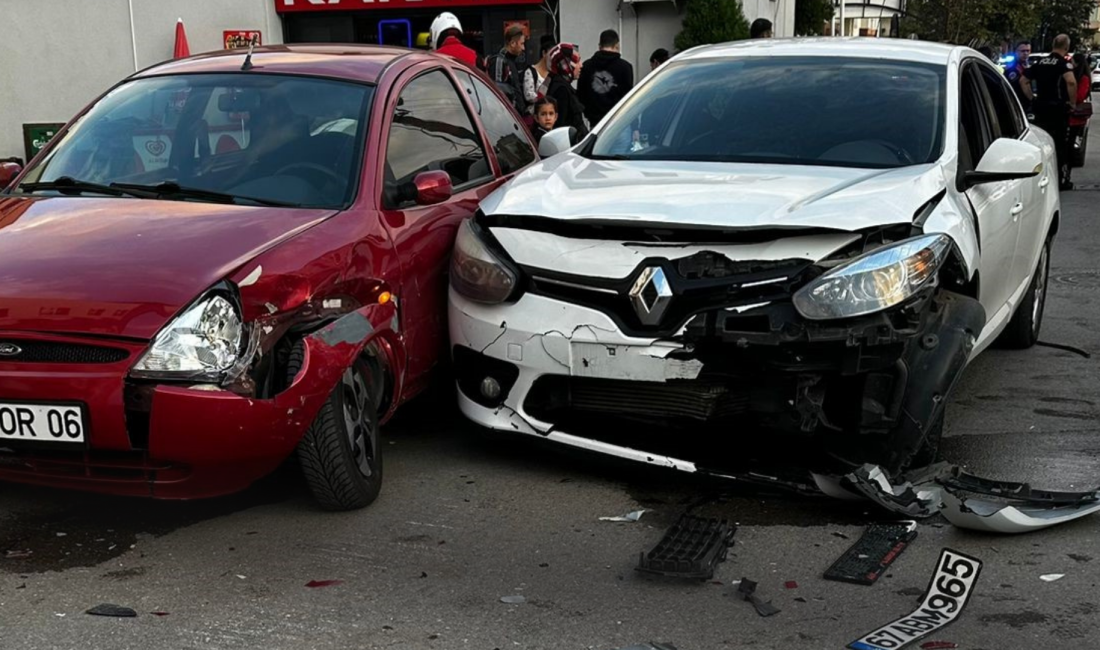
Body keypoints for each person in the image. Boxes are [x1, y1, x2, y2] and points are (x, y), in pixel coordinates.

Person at [1022, 34, 1078, 190]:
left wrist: (1032, 98)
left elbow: (1023, 81)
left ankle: (1040, 176)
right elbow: (1071, 82)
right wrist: (1072, 103)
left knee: (1041, 142)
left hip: (1041, 108)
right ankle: (1059, 179)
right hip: (1058, 109)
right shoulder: (1063, 64)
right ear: (1066, 47)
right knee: (1059, 145)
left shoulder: (1039, 63)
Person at [578, 29, 634, 127]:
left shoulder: (586, 66)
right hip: (619, 122)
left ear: (599, 46)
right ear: (617, 45)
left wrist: (589, 114)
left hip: (596, 124)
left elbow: (581, 95)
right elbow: (629, 98)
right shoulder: (625, 67)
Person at [546, 43, 587, 138]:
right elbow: (561, 127)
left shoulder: (562, 85)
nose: (581, 65)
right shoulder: (561, 90)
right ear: (566, 64)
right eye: (577, 61)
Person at [488, 25, 528, 115]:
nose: (523, 48)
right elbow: (497, 91)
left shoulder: (512, 61)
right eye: (521, 44)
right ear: (513, 43)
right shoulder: (500, 61)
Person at [523, 35, 556, 124]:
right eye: (551, 54)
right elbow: (529, 95)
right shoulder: (531, 71)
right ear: (544, 53)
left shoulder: (554, 74)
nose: (553, 57)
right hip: (535, 118)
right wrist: (544, 100)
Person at [1068, 52, 1092, 170]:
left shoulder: (1083, 78)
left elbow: (1080, 96)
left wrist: (1070, 100)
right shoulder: (1072, 75)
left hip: (1076, 116)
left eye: (1072, 62)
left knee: (1071, 141)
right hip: (1069, 115)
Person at [1005, 41, 1032, 111]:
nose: (1025, 53)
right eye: (1022, 51)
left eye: (1027, 51)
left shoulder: (1027, 66)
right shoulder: (1012, 68)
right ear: (1016, 52)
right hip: (1016, 104)